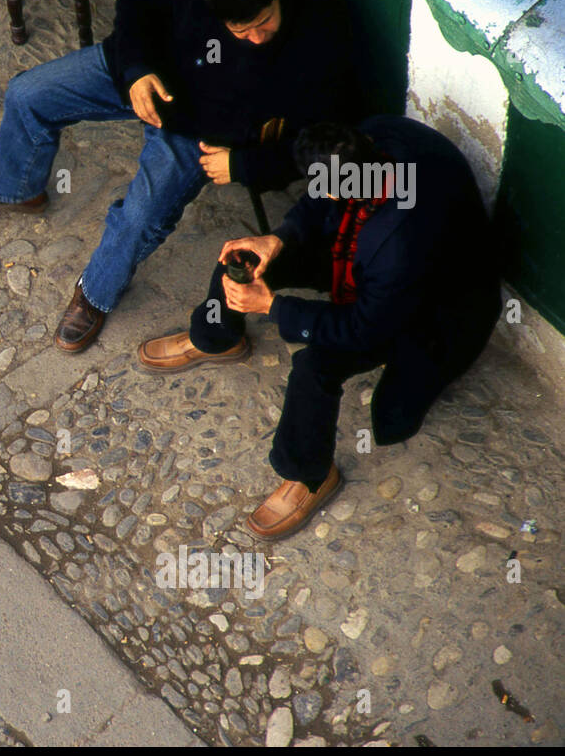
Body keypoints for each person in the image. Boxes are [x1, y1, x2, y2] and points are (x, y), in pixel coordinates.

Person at [0, 0, 358, 352]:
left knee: (139, 217)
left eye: (262, 24)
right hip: (144, 74)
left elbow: (320, 145)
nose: (255, 38)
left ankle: (95, 293)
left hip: (200, 134)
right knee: (27, 94)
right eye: (240, 30)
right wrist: (136, 68)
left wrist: (244, 165)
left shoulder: (321, 36)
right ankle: (16, 189)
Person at [137, 116, 500, 539]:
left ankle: (309, 474)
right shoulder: (367, 143)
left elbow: (363, 329)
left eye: (327, 186)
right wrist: (278, 238)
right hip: (358, 261)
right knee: (247, 264)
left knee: (314, 367)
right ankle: (216, 337)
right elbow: (319, 198)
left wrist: (273, 306)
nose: (321, 191)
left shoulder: (402, 241)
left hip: (427, 309)